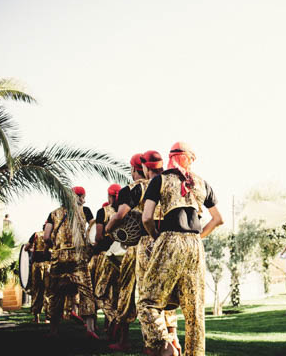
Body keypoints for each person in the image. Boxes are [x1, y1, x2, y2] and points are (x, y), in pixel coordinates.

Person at [138, 142, 223, 356]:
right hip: (195, 244)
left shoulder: (160, 180)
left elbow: (147, 217)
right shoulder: (202, 184)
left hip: (170, 239)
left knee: (148, 301)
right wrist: (197, 237)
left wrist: (157, 238)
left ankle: (164, 345)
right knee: (194, 311)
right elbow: (218, 219)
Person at [105, 153, 150, 351]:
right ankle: (167, 340)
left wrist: (108, 227)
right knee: (155, 293)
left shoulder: (131, 189)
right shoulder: (164, 185)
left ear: (133, 170)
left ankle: (123, 339)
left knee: (126, 291)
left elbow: (121, 214)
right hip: (158, 246)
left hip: (136, 249)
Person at [43, 186, 98, 339]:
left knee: (55, 293)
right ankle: (90, 328)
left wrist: (54, 246)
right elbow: (94, 229)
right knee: (86, 290)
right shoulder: (85, 211)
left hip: (59, 256)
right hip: (78, 256)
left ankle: (53, 330)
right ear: (79, 196)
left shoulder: (53, 213)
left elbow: (46, 236)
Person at [91, 184, 122, 339]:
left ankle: (115, 318)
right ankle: (115, 329)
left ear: (109, 196)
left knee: (99, 293)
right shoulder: (126, 210)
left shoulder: (102, 212)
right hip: (123, 258)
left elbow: (98, 236)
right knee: (117, 294)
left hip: (107, 256)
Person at [24, 223, 51, 323]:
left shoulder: (35, 235)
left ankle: (36, 317)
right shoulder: (52, 236)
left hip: (37, 265)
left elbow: (26, 248)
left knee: (37, 290)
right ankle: (48, 317)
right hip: (48, 265)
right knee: (49, 290)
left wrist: (33, 250)